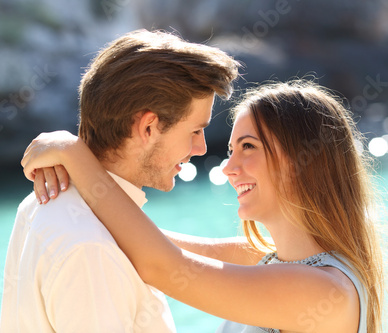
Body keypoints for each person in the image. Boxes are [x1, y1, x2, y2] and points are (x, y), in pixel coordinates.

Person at [21, 80, 385, 333]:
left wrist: (73, 154)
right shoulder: (273, 258)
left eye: (248, 147)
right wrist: (82, 197)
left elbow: (161, 265)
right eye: (230, 150)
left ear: (302, 159)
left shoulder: (323, 290)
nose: (228, 168)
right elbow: (148, 243)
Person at [0, 29, 239, 332]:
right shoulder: (92, 250)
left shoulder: (37, 204)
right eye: (195, 131)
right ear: (149, 127)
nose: (201, 148)